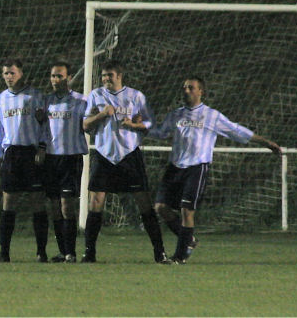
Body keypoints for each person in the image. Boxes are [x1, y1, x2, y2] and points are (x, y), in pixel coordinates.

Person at [147, 77, 281, 264]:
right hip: (175, 167)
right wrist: (138, 127)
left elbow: (237, 131)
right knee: (161, 207)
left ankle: (179, 257)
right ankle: (189, 240)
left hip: (197, 168)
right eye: (184, 87)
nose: (186, 91)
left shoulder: (212, 116)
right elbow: (160, 133)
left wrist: (266, 143)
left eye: (191, 88)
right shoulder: (175, 115)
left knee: (187, 211)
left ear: (201, 91)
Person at [82, 60, 171, 264]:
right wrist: (102, 115)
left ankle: (160, 252)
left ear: (119, 76)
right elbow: (85, 124)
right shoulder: (96, 96)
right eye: (104, 75)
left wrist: (135, 124)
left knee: (144, 204)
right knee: (95, 203)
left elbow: (150, 123)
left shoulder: (135, 96)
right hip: (104, 154)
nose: (106, 79)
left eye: (110, 75)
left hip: (129, 154)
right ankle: (89, 253)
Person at [0, 57, 51, 263]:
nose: (9, 77)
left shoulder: (35, 96)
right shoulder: (0, 99)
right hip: (12, 155)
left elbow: (45, 124)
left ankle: (41, 252)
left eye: (12, 73)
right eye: (6, 73)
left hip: (31, 153)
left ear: (21, 73)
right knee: (9, 200)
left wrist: (43, 146)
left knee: (37, 201)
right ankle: (4, 252)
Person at [41, 61, 88, 263]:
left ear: (69, 78)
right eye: (53, 76)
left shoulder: (81, 101)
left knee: (67, 205)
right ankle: (63, 251)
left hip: (71, 157)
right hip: (51, 159)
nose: (55, 80)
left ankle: (71, 252)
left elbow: (89, 124)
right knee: (54, 206)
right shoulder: (46, 101)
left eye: (59, 76)